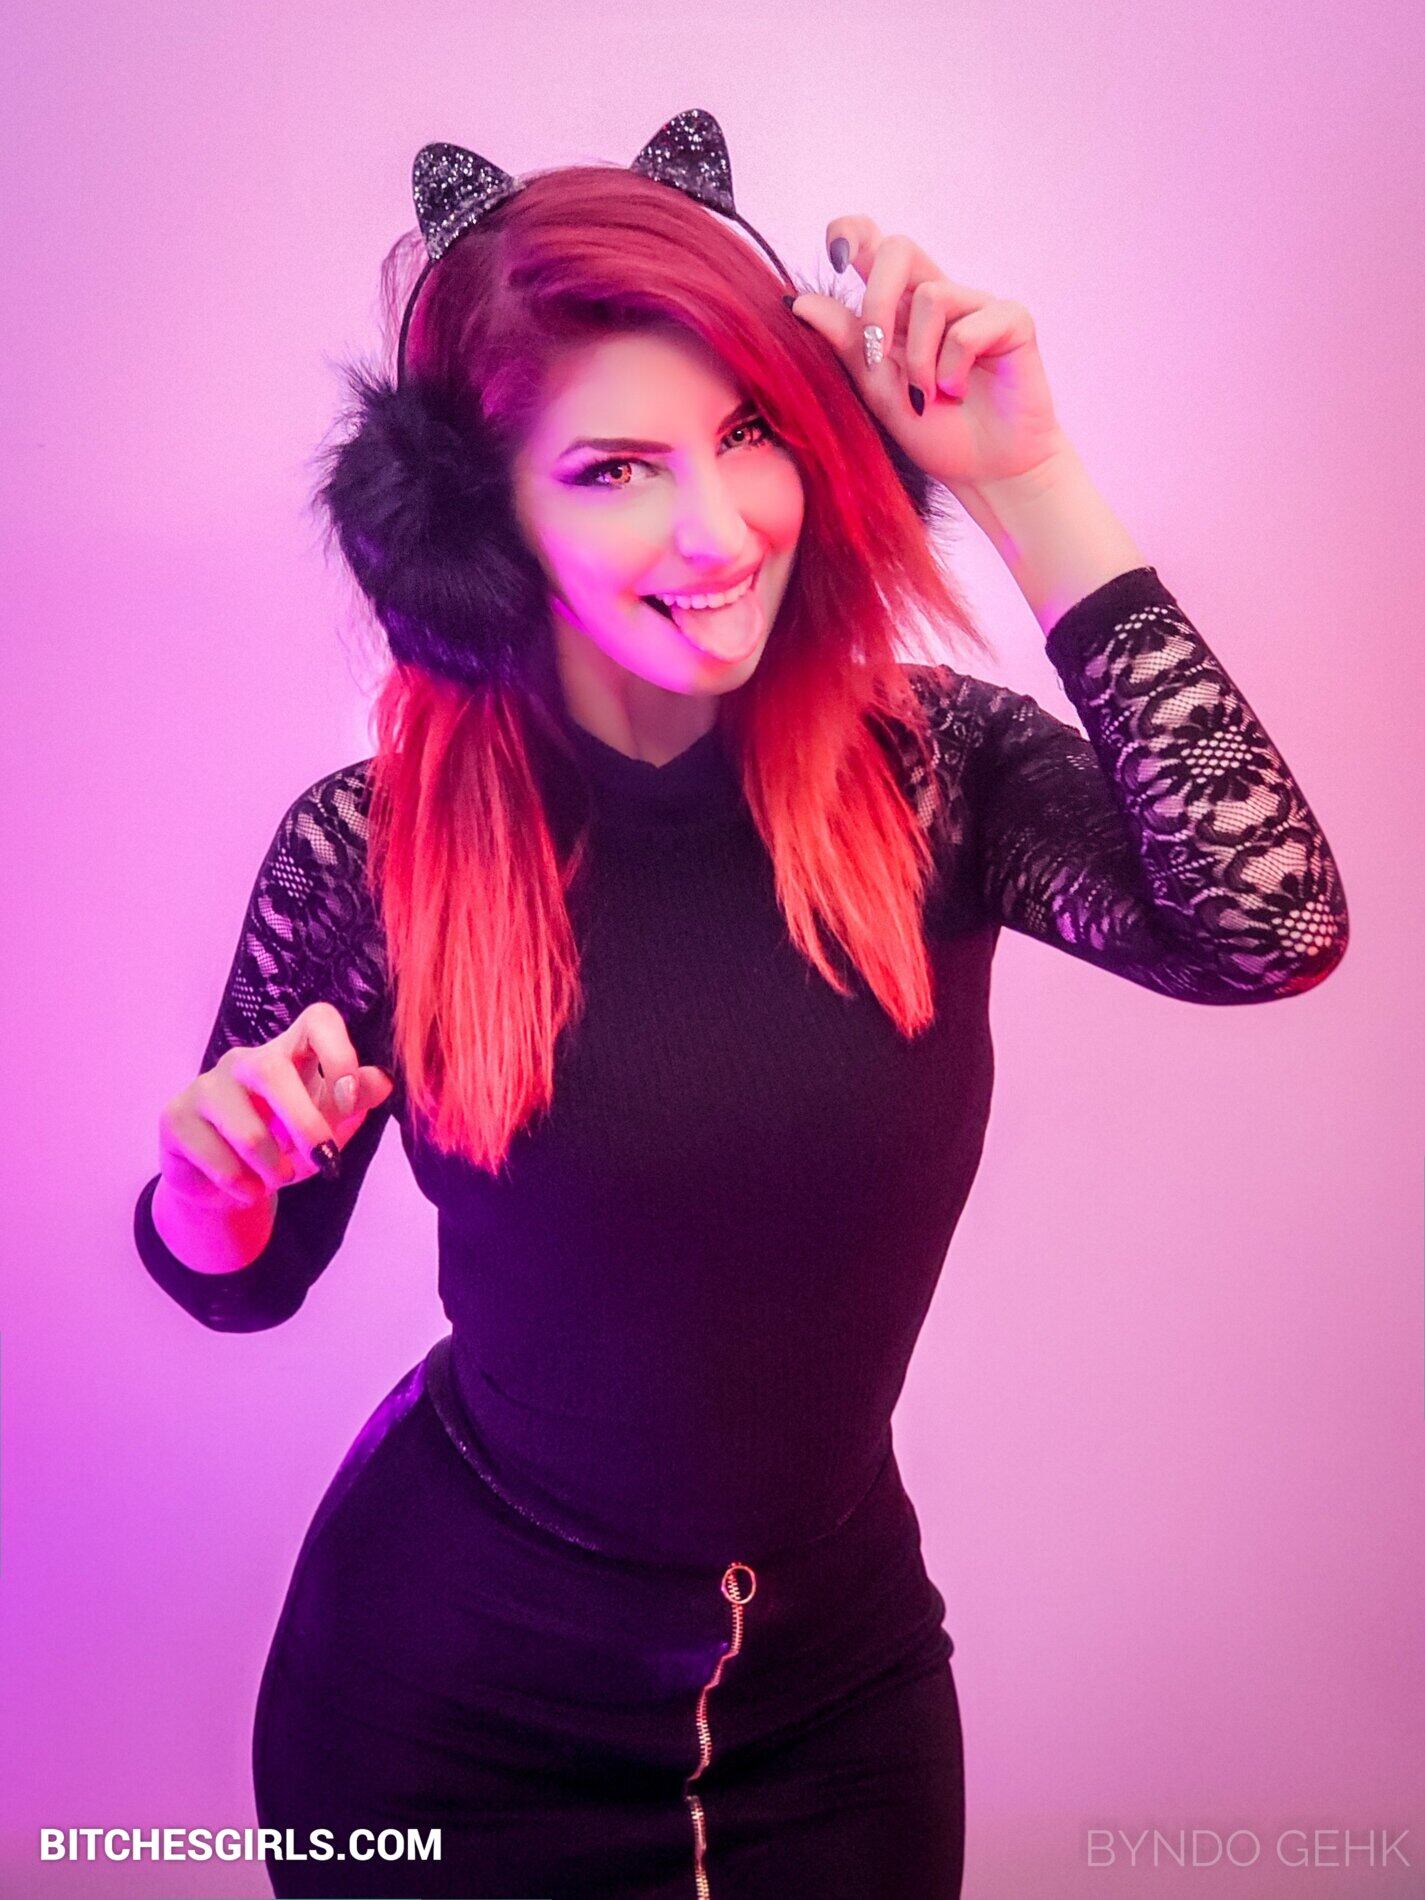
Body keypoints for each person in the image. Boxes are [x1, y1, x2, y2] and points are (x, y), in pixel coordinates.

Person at [133, 111, 1349, 1900]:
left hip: (838, 1703)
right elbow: (234, 1279)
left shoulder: (933, 775)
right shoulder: (376, 850)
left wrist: (1024, 474)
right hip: (447, 1714)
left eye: (752, 433)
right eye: (614, 468)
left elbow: (1266, 924)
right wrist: (214, 1184)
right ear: (479, 522)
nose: (718, 529)